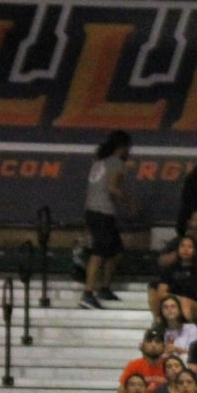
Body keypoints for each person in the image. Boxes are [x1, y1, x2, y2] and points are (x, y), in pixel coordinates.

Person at [81, 130, 132, 309]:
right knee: (99, 253)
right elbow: (113, 188)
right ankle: (87, 293)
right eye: (128, 148)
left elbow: (88, 191)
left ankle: (104, 287)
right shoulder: (117, 163)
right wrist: (130, 202)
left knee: (116, 251)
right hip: (103, 212)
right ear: (123, 147)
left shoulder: (99, 162)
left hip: (93, 211)